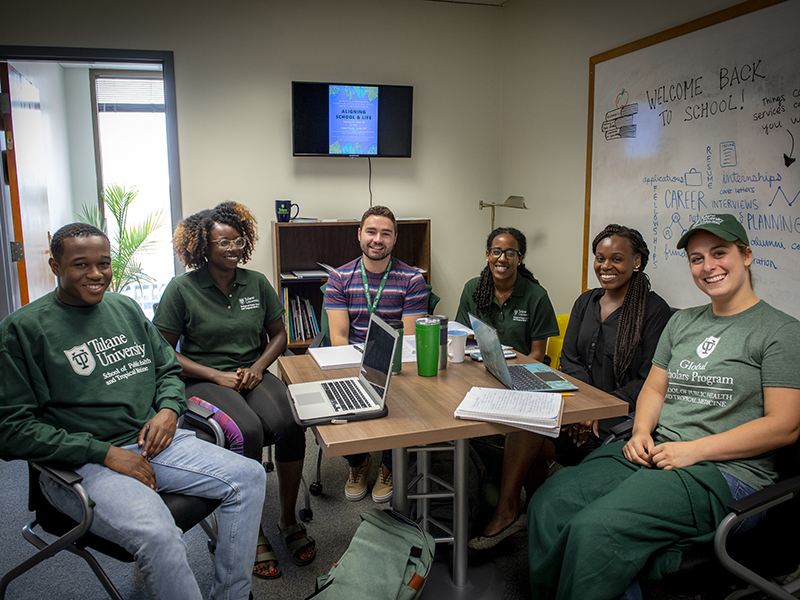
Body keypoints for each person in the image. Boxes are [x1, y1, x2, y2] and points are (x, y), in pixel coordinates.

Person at [527, 213, 800, 600]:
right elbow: (654, 389)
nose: (708, 266)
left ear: (747, 255)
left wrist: (694, 449)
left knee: (598, 530)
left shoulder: (781, 331)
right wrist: (640, 432)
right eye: (696, 258)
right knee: (549, 503)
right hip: (656, 450)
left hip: (723, 474)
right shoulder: (683, 322)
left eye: (719, 253)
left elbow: (785, 425)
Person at [0, 223, 266, 600]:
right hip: (82, 464)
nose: (96, 274)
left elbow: (167, 370)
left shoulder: (123, 308)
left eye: (103, 263)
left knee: (250, 476)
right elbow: (10, 430)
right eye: (81, 265)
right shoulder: (22, 331)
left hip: (155, 442)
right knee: (159, 535)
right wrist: (105, 453)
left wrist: (169, 411)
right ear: (55, 265)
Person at [468, 224, 672, 550]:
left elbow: (648, 380)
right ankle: (518, 511)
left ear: (637, 262)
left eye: (617, 259)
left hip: (624, 419)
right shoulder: (586, 302)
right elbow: (570, 361)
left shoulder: (654, 311)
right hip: (578, 408)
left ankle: (529, 511)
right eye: (600, 258)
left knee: (533, 440)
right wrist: (582, 408)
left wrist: (596, 409)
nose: (606, 266)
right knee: (527, 423)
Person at [154, 202, 314, 581]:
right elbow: (163, 351)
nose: (232, 248)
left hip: (251, 373)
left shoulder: (256, 282)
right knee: (248, 430)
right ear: (202, 247)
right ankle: (250, 530)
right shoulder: (182, 289)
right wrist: (217, 375)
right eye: (221, 242)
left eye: (237, 240)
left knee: (292, 423)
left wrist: (258, 368)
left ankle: (287, 519)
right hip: (204, 380)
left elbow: (279, 335)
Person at [454, 226, 560, 548]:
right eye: (497, 252)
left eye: (510, 252)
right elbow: (460, 333)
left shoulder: (536, 295)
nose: (502, 258)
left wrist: (514, 374)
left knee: (521, 431)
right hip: (478, 375)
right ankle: (522, 496)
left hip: (522, 382)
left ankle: (516, 503)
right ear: (488, 255)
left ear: (520, 257)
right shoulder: (473, 288)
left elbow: (539, 355)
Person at [324, 205, 428, 502]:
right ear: (359, 235)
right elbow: (340, 337)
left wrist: (388, 369)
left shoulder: (412, 280)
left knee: (409, 401)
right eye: (371, 232)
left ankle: (389, 465)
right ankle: (358, 463)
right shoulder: (340, 278)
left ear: (395, 238)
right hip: (353, 359)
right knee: (341, 398)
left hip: (397, 363)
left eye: (385, 233)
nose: (377, 239)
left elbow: (410, 340)